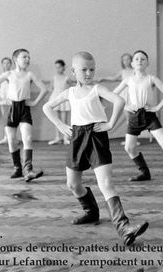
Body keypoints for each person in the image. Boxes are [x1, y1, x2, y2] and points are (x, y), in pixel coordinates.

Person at [43, 51, 148, 246]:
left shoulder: (97, 89)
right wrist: (59, 125)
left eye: (92, 69)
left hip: (97, 137)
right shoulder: (69, 92)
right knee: (73, 184)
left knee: (106, 183)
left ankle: (123, 227)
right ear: (74, 71)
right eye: (84, 70)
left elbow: (119, 100)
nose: (89, 73)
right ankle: (91, 212)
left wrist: (109, 124)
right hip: (77, 137)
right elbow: (47, 107)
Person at [113, 50, 163, 182]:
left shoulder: (151, 78)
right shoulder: (128, 80)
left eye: (143, 59)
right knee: (129, 148)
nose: (139, 61)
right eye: (137, 59)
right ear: (132, 63)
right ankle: (144, 173)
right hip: (134, 117)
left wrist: (157, 108)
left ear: (147, 63)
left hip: (149, 115)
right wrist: (126, 106)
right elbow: (113, 95)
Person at [0, 49, 47, 182]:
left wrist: (35, 102)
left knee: (28, 137)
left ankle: (28, 170)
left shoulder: (30, 74)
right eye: (24, 57)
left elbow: (44, 89)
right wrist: (1, 99)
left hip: (24, 108)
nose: (27, 59)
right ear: (16, 60)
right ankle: (17, 168)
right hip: (12, 108)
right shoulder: (9, 74)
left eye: (28, 57)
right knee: (11, 140)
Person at [98, 53, 151, 145]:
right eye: (124, 60)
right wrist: (102, 78)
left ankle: (134, 139)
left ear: (131, 61)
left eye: (128, 59)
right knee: (128, 119)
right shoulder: (122, 71)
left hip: (133, 96)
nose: (126, 61)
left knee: (135, 118)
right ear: (122, 62)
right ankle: (129, 140)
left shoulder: (135, 71)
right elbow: (113, 78)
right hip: (124, 96)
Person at [47, 59, 71, 145]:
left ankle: (66, 138)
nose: (57, 69)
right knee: (56, 119)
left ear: (63, 67)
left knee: (64, 120)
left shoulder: (67, 78)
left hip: (64, 99)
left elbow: (70, 88)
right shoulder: (54, 78)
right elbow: (51, 88)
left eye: (59, 67)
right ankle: (57, 137)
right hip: (54, 99)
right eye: (56, 67)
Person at [0, 57, 13, 144]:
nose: (6, 65)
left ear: (11, 64)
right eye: (4, 63)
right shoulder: (1, 74)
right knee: (4, 117)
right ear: (2, 65)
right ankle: (6, 137)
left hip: (11, 96)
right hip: (2, 96)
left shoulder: (13, 74)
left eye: (8, 63)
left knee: (12, 117)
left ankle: (12, 138)